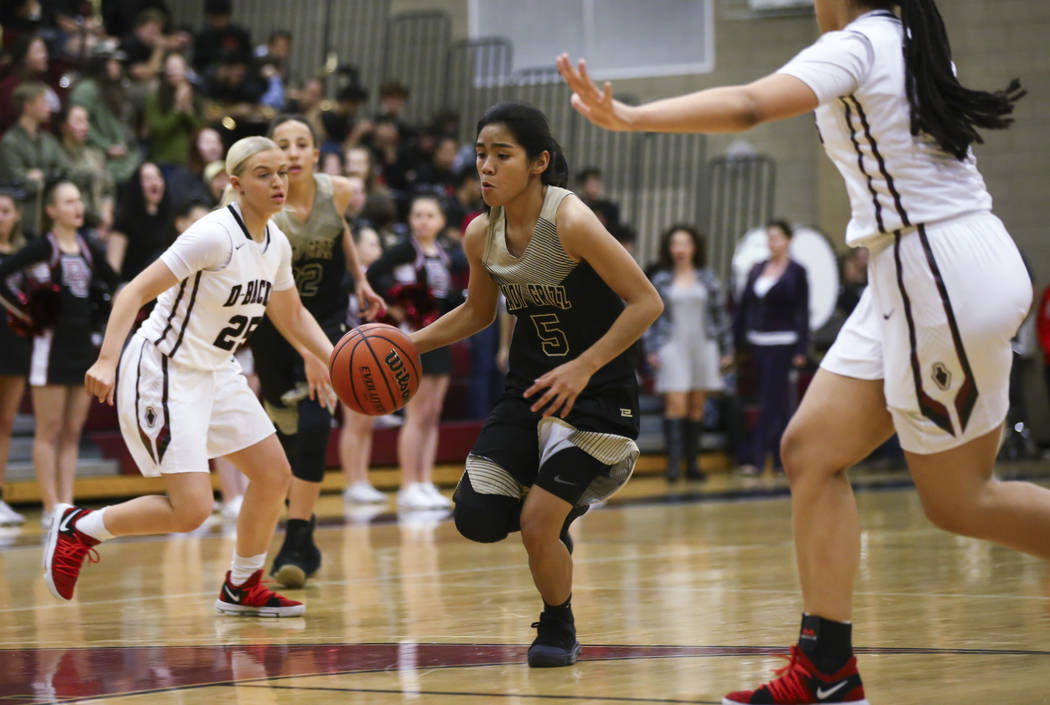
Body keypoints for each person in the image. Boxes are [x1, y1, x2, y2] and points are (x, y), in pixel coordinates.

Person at [559, 0, 1036, 700]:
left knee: (962, 500)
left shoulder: (864, 44)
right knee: (809, 450)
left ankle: (827, 670)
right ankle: (827, 671)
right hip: (913, 266)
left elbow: (751, 105)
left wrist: (630, 116)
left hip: (934, 272)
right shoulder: (903, 38)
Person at [411, 102, 662, 666]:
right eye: (481, 155)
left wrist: (583, 367)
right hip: (530, 389)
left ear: (539, 162)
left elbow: (647, 301)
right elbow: (477, 314)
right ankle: (553, 515)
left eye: (502, 156)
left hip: (596, 392)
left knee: (535, 522)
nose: (487, 168)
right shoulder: (481, 232)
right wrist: (409, 343)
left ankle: (558, 623)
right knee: (477, 517)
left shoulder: (569, 220)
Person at [41, 136, 334, 617]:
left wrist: (337, 358)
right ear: (236, 184)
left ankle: (242, 586)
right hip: (164, 369)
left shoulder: (275, 243)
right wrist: (107, 360)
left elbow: (294, 315)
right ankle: (79, 526)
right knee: (192, 510)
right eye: (264, 174)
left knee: (273, 473)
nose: (278, 182)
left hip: (216, 371)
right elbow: (132, 292)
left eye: (282, 172)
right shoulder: (213, 234)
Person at [249, 114, 383, 589]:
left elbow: (341, 227)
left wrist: (361, 278)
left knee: (315, 421)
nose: (291, 153)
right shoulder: (258, 204)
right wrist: (301, 346)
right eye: (281, 145)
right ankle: (303, 539)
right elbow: (263, 286)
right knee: (285, 434)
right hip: (271, 326)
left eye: (301, 143)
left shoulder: (338, 190)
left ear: (315, 151)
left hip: (326, 319)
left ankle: (296, 536)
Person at [0, 181, 118, 530]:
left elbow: (115, 283)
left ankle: (66, 504)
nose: (77, 207)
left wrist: (103, 308)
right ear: (51, 210)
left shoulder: (88, 246)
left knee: (73, 430)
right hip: (49, 351)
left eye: (79, 200)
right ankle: (51, 504)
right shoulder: (41, 247)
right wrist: (24, 312)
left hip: (82, 348)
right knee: (49, 430)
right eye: (68, 201)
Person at [366, 194, 463, 511]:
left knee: (433, 414)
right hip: (414, 339)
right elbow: (373, 273)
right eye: (417, 214)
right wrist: (396, 305)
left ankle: (425, 481)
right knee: (416, 415)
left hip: (440, 336)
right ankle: (408, 484)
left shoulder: (446, 253)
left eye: (429, 215)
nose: (423, 220)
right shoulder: (407, 249)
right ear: (410, 220)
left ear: (441, 221)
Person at [645, 224, 732, 481]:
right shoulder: (660, 279)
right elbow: (650, 316)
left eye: (685, 243)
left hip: (704, 345)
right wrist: (651, 348)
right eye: (675, 244)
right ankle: (673, 465)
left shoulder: (708, 278)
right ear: (669, 249)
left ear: (694, 247)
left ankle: (692, 465)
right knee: (676, 403)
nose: (680, 249)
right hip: (672, 345)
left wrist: (726, 351)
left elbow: (720, 316)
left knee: (697, 406)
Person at [732, 220, 809, 475]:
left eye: (776, 237)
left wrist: (801, 348)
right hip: (758, 342)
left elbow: (801, 311)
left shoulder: (797, 271)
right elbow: (744, 307)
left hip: (783, 342)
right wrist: (737, 341)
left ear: (788, 240)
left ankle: (759, 456)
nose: (772, 242)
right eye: (769, 238)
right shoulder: (757, 269)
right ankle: (776, 457)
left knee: (773, 400)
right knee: (768, 399)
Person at [340, 225, 388, 506]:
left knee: (367, 421)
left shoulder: (378, 279)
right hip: (349, 355)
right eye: (371, 244)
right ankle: (352, 481)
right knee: (353, 421)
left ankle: (362, 479)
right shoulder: (346, 280)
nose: (378, 250)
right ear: (354, 248)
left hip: (372, 356)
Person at [0, 81, 69, 237]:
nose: (48, 108)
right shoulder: (9, 143)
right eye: (43, 102)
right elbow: (18, 182)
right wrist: (49, 177)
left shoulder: (48, 140)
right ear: (28, 106)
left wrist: (40, 175)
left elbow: (66, 171)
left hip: (51, 220)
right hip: (24, 223)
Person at [0, 190, 29, 525]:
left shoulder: (25, 254)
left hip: (16, 345)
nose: (2, 216)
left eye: (6, 210)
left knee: (5, 423)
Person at [107, 162, 173, 282]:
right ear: (137, 185)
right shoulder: (125, 218)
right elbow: (113, 266)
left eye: (157, 177)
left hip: (160, 287)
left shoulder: (168, 216)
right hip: (132, 284)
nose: (154, 182)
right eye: (147, 179)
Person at [56, 104, 116, 234]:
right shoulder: (56, 155)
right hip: (72, 223)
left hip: (100, 224)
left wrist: (106, 213)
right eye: (78, 121)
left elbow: (108, 190)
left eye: (86, 121)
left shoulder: (95, 154)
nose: (85, 127)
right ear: (64, 126)